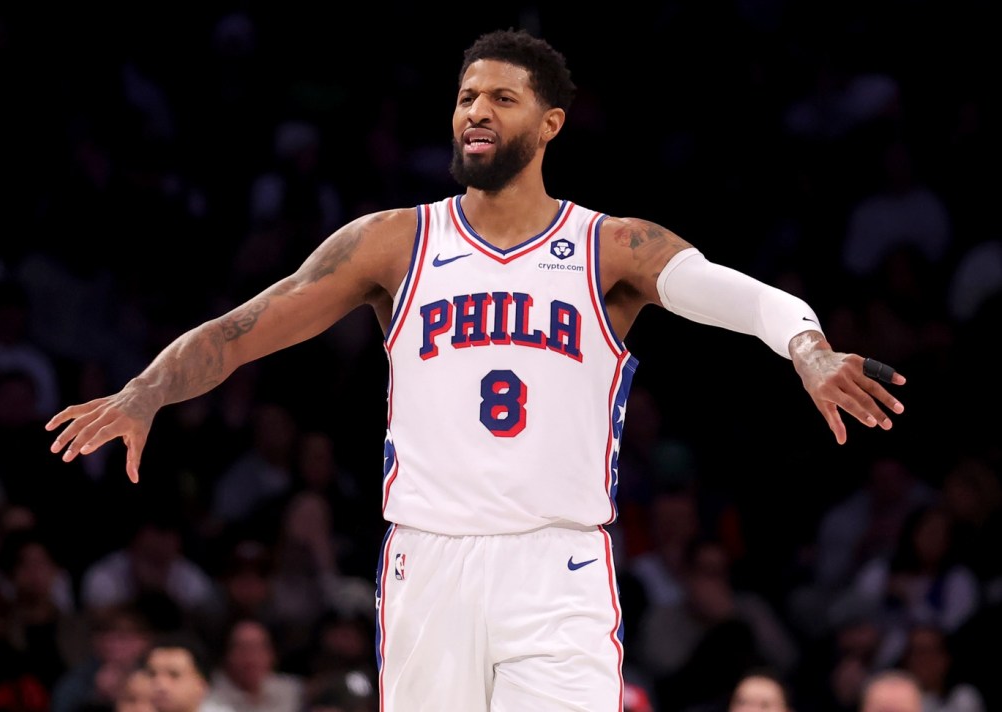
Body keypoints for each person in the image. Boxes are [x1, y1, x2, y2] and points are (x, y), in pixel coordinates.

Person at [46, 28, 907, 711]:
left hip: (559, 563)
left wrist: (810, 350)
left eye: (501, 97)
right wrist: (144, 391)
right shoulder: (392, 242)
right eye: (465, 97)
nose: (476, 112)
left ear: (551, 122)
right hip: (430, 557)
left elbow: (743, 296)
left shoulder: (610, 246)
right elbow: (238, 332)